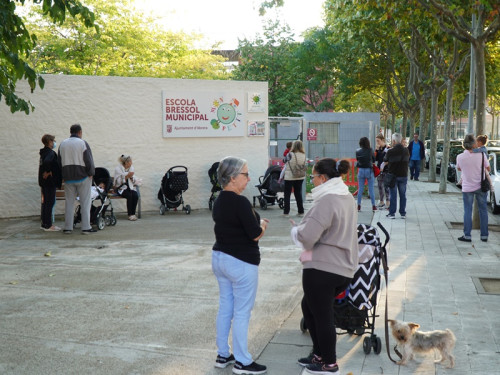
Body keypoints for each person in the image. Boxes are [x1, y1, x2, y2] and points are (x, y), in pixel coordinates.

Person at [292, 158, 358, 375]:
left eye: (313, 177)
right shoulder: (346, 196)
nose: (312, 182)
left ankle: (329, 364)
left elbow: (308, 237)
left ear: (323, 178)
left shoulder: (326, 200)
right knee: (309, 307)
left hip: (322, 268)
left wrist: (297, 231)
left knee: (322, 316)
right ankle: (319, 356)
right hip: (343, 268)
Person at [211, 156, 269, 375]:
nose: (248, 178)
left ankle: (223, 354)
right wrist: (262, 224)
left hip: (220, 258)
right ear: (233, 178)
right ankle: (243, 362)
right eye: (245, 174)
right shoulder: (240, 202)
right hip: (241, 262)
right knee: (242, 312)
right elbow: (254, 235)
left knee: (226, 307)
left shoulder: (219, 199)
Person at [58, 124, 95, 234]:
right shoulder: (83, 143)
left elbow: (59, 162)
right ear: (80, 132)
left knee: (69, 203)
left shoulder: (62, 144)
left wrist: (62, 176)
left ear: (71, 132)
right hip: (83, 177)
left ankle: (68, 227)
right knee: (85, 202)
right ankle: (86, 227)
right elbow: (88, 160)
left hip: (68, 178)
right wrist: (91, 173)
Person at [456, 134, 490, 242]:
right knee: (483, 210)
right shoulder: (482, 155)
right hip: (480, 186)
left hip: (467, 187)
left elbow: (459, 168)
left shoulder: (460, 157)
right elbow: (488, 169)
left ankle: (467, 235)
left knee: (467, 210)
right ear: (474, 144)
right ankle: (484, 235)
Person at [38, 134, 62, 231]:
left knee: (45, 203)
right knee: (49, 202)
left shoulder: (43, 153)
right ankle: (48, 225)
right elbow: (48, 162)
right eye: (53, 141)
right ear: (49, 142)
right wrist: (49, 172)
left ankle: (44, 223)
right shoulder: (50, 153)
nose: (54, 142)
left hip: (43, 182)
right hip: (49, 182)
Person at [384, 133, 410, 219]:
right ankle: (403, 213)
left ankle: (392, 213)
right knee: (403, 195)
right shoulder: (406, 150)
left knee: (393, 195)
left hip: (393, 176)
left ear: (394, 141)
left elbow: (385, 159)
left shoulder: (390, 151)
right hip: (403, 175)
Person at [283, 140, 306, 217]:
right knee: (298, 193)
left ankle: (286, 212)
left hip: (290, 176)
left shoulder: (290, 154)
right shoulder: (304, 155)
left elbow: (284, 160)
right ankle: (301, 211)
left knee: (287, 194)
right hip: (300, 176)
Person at [114, 155, 139, 221]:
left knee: (135, 195)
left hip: (130, 187)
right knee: (129, 195)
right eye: (130, 161)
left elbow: (134, 179)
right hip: (121, 188)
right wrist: (126, 177)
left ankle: (133, 214)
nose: (131, 162)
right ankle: (130, 215)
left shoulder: (131, 168)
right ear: (126, 162)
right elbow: (118, 182)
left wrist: (131, 177)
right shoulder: (118, 169)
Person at [355, 137, 376, 212]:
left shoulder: (357, 151)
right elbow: (374, 159)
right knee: (371, 189)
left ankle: (358, 205)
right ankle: (373, 206)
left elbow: (357, 159)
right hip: (369, 170)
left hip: (361, 170)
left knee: (360, 188)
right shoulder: (370, 150)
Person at [375, 134, 390, 209]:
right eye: (376, 141)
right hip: (379, 169)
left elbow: (389, 159)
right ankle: (381, 201)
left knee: (386, 186)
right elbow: (376, 159)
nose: (377, 142)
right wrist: (377, 150)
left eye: (378, 141)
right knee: (380, 186)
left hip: (386, 169)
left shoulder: (387, 148)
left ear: (382, 140)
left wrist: (384, 165)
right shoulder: (379, 148)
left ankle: (388, 201)